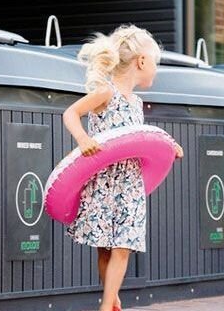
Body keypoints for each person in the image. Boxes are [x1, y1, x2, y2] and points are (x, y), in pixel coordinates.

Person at [62, 25, 183, 311]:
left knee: (123, 246)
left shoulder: (137, 103)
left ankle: (106, 304)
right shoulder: (107, 92)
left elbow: (140, 139)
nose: (156, 69)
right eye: (155, 62)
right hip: (103, 181)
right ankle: (111, 299)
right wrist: (83, 139)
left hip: (130, 183)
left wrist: (169, 146)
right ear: (141, 61)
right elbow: (71, 113)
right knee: (105, 247)